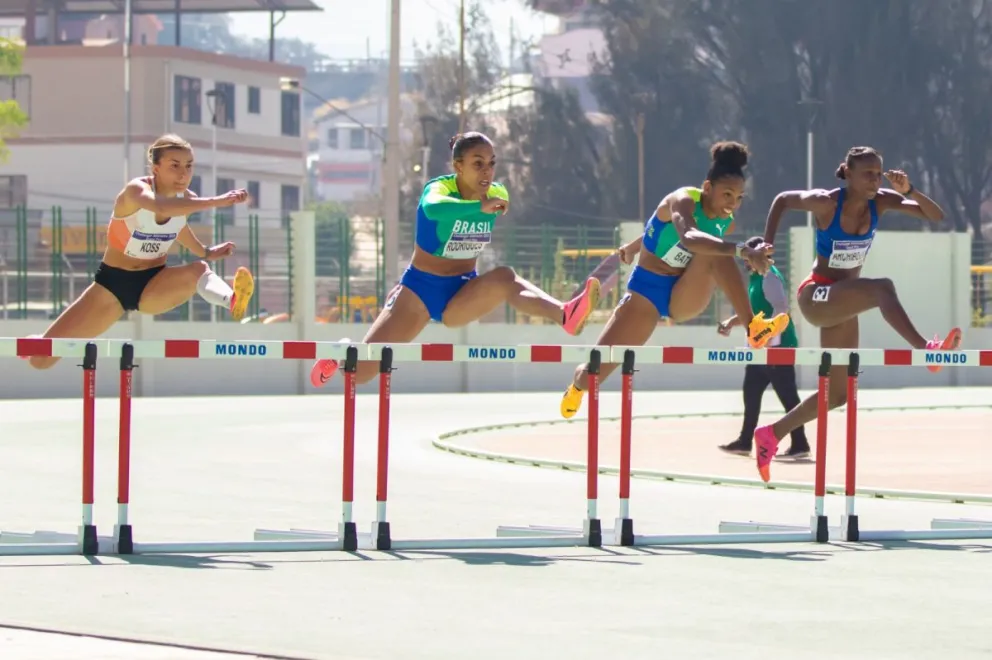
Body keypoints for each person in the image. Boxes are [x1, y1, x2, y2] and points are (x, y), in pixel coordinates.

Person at [309, 131, 602, 388]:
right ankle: (341, 352)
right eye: (477, 164)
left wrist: (483, 203)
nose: (486, 172)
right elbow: (433, 210)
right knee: (361, 373)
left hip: (462, 292)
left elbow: (497, 202)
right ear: (457, 166)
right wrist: (477, 206)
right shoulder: (439, 190)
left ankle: (565, 314)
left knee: (504, 277)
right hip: (418, 292)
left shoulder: (496, 192)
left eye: (491, 163)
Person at [753, 146, 961, 482]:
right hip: (816, 295)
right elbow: (781, 200)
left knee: (838, 395)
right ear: (847, 174)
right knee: (882, 289)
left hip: (842, 301)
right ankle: (926, 348)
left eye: (878, 174)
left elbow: (935, 216)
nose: (875, 180)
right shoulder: (826, 202)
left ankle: (771, 434)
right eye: (867, 174)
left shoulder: (881, 201)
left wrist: (909, 191)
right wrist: (766, 244)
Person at [559, 141, 792, 419]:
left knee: (716, 251)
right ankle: (577, 384)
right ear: (707, 188)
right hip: (647, 291)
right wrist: (742, 249)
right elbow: (686, 236)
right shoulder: (682, 200)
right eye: (727, 194)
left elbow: (703, 245)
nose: (732, 204)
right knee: (593, 374)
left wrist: (747, 253)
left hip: (684, 292)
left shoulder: (724, 221)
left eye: (739, 198)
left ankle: (754, 327)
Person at [24, 134, 255, 370]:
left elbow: (179, 227)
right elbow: (161, 206)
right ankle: (38, 342)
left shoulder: (186, 201)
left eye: (188, 166)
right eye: (174, 166)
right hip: (110, 286)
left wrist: (205, 252)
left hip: (154, 283)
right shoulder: (135, 191)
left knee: (199, 269)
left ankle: (232, 300)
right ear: (155, 168)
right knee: (41, 360)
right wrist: (218, 201)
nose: (183, 174)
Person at [717, 236, 810, 460]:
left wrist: (769, 336)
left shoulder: (770, 278)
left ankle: (800, 443)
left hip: (778, 348)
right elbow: (753, 313)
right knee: (751, 394)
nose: (747, 261)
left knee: (788, 397)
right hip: (759, 350)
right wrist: (731, 322)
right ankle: (744, 441)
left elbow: (781, 310)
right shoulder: (755, 279)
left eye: (751, 256)